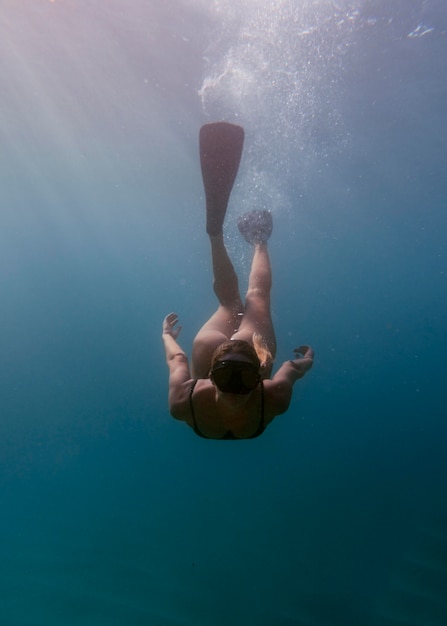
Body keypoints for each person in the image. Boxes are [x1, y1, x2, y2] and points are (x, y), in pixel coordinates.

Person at [162, 122, 313, 439]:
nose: (233, 391)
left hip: (243, 350)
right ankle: (218, 237)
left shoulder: (270, 399)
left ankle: (256, 239)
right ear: (258, 377)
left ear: (211, 378)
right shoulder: (184, 403)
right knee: (240, 300)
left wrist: (305, 364)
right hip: (210, 351)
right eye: (241, 380)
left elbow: (290, 371)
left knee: (256, 297)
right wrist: (305, 363)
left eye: (230, 379)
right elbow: (291, 370)